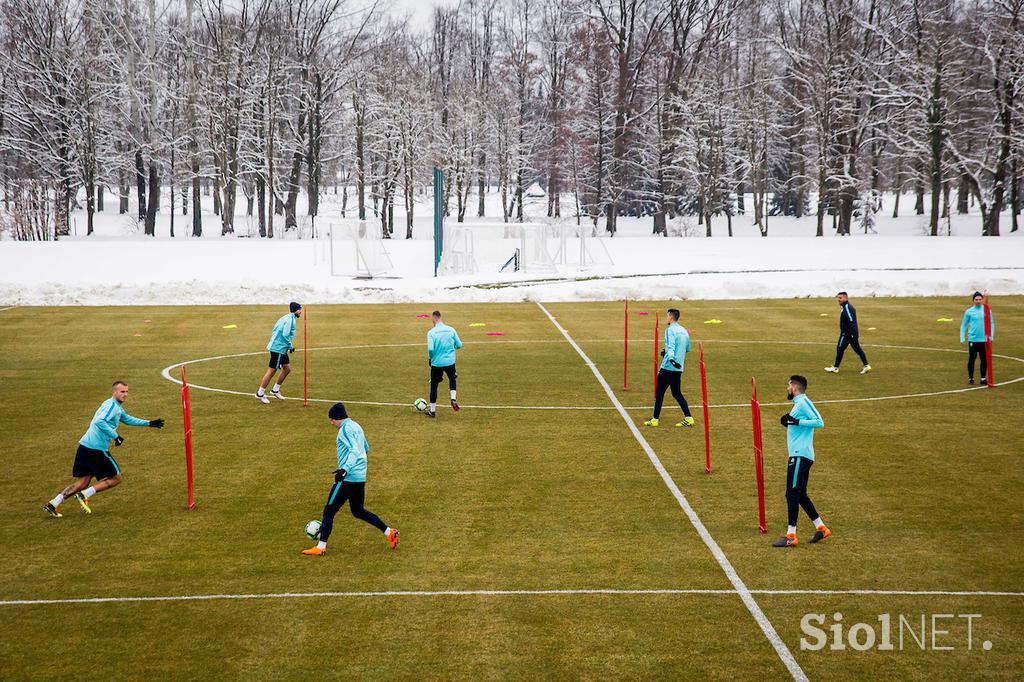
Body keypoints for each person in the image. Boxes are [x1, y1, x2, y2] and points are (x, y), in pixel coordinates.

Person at [44, 381, 164, 517]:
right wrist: (116, 436)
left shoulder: (112, 405)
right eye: (122, 392)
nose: (125, 394)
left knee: (82, 482)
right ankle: (84, 495)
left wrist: (149, 423)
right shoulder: (113, 406)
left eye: (126, 391)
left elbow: (126, 418)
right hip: (96, 449)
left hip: (84, 446)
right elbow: (99, 421)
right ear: (114, 392)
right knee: (117, 478)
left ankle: (53, 504)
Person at [302, 402, 399, 556]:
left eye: (331, 419)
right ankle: (389, 532)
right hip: (360, 478)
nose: (331, 422)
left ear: (337, 418)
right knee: (358, 511)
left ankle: (320, 547)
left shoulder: (344, 430)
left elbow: (355, 450)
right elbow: (365, 448)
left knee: (329, 511)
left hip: (348, 479)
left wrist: (345, 470)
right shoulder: (357, 426)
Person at [772, 375, 830, 547]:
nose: (787, 388)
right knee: (800, 494)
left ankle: (791, 535)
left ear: (795, 388)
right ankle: (821, 528)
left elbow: (819, 422)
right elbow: (798, 425)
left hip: (800, 455)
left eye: (788, 385)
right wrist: (790, 422)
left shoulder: (803, 402)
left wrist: (796, 421)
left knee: (791, 493)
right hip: (799, 455)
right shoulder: (797, 404)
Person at [644, 308, 695, 428]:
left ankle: (655, 419)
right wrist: (666, 352)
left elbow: (671, 346)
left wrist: (671, 358)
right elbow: (687, 348)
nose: (666, 318)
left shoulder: (670, 330)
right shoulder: (683, 331)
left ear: (671, 317)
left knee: (659, 393)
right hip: (678, 368)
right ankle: (689, 417)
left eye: (667, 316)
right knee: (677, 393)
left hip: (668, 367)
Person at [257, 302, 302, 404]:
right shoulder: (290, 320)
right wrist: (290, 346)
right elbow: (285, 334)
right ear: (295, 310)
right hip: (278, 349)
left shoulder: (286, 317)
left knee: (287, 369)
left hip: (280, 347)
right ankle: (260, 393)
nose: (301, 312)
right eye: (300, 310)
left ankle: (275, 390)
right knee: (271, 371)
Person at [425, 310, 462, 418]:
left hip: (437, 363)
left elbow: (431, 349)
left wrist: (431, 358)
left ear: (433, 320)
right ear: (441, 318)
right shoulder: (451, 329)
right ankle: (453, 399)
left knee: (434, 385)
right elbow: (459, 345)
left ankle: (432, 411)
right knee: (452, 379)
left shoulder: (431, 332)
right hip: (450, 362)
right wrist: (450, 348)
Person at [824, 292, 871, 374]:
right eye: (838, 298)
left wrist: (852, 334)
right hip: (850, 334)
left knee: (840, 348)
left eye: (840, 298)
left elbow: (851, 321)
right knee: (856, 349)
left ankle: (836, 367)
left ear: (846, 298)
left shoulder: (847, 308)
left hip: (847, 334)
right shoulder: (846, 307)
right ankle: (866, 366)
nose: (838, 300)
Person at [960, 291, 994, 385]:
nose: (978, 301)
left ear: (982, 300)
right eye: (976, 299)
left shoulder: (987, 310)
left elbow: (991, 323)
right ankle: (971, 378)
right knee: (972, 359)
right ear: (973, 300)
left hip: (984, 340)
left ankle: (983, 378)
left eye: (980, 299)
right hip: (973, 340)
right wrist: (962, 337)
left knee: (984, 360)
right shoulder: (969, 312)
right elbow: (963, 325)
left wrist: (991, 335)